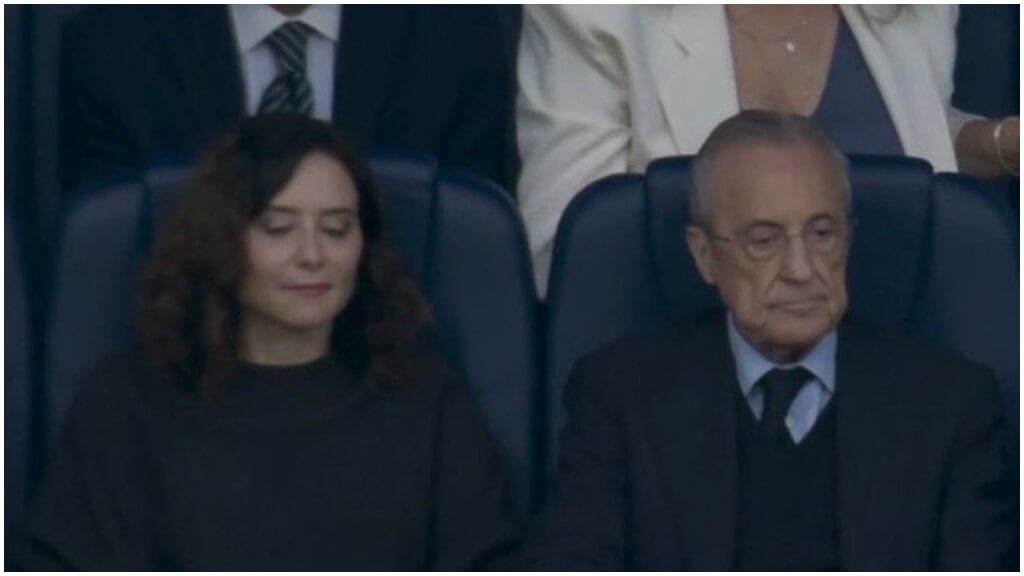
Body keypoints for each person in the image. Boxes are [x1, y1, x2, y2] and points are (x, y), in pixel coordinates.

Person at [20, 114, 522, 570]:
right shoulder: (129, 401)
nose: (312, 255)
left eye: (337, 229)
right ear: (221, 243)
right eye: (278, 228)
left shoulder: (424, 396)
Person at [527, 111, 1015, 570]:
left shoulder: (951, 404)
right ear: (704, 256)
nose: (801, 270)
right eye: (764, 240)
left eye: (822, 234)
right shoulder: (620, 397)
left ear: (849, 239)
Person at [517, 5, 1020, 294]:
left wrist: (997, 145)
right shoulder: (593, 14)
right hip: (691, 396)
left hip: (901, 385)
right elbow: (565, 263)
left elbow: (899, 133)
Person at [60, 5, 516, 195]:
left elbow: (466, 256)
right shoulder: (117, 44)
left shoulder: (452, 35)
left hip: (392, 365)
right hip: (183, 364)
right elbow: (108, 262)